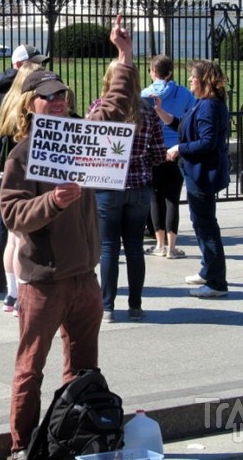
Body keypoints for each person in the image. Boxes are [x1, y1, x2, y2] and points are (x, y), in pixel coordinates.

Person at [0, 16, 132, 460]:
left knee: (84, 369)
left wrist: (124, 57)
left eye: (62, 95)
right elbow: (12, 212)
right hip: (43, 282)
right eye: (48, 96)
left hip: (84, 280)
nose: (57, 101)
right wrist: (52, 201)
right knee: (29, 370)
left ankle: (72, 435)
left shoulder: (81, 136)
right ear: (29, 104)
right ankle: (22, 446)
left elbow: (114, 109)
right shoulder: (22, 153)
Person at [88, 59, 166, 323]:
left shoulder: (99, 109)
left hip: (108, 186)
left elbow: (88, 148)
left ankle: (107, 306)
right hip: (139, 186)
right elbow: (158, 153)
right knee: (134, 247)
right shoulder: (147, 111)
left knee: (109, 247)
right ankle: (135, 305)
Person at [154, 59, 231, 298]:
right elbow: (183, 126)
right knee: (201, 224)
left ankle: (217, 282)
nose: (190, 80)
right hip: (199, 172)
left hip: (203, 173)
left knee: (206, 227)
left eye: (193, 77)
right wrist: (160, 111)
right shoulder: (203, 104)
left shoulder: (209, 106)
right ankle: (208, 270)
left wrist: (179, 149)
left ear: (204, 81)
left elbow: (207, 142)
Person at [0, 45, 48, 294]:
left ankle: (1, 283)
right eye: (36, 64)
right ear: (22, 65)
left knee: (6, 230)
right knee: (16, 234)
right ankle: (16, 290)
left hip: (3, 164)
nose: (41, 68)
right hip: (17, 165)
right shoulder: (18, 93)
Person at [141, 55, 195, 258]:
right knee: (172, 198)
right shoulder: (184, 93)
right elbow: (189, 119)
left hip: (152, 149)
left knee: (155, 197)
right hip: (176, 149)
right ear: (170, 72)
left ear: (151, 72)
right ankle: (172, 247)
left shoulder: (145, 94)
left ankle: (159, 244)